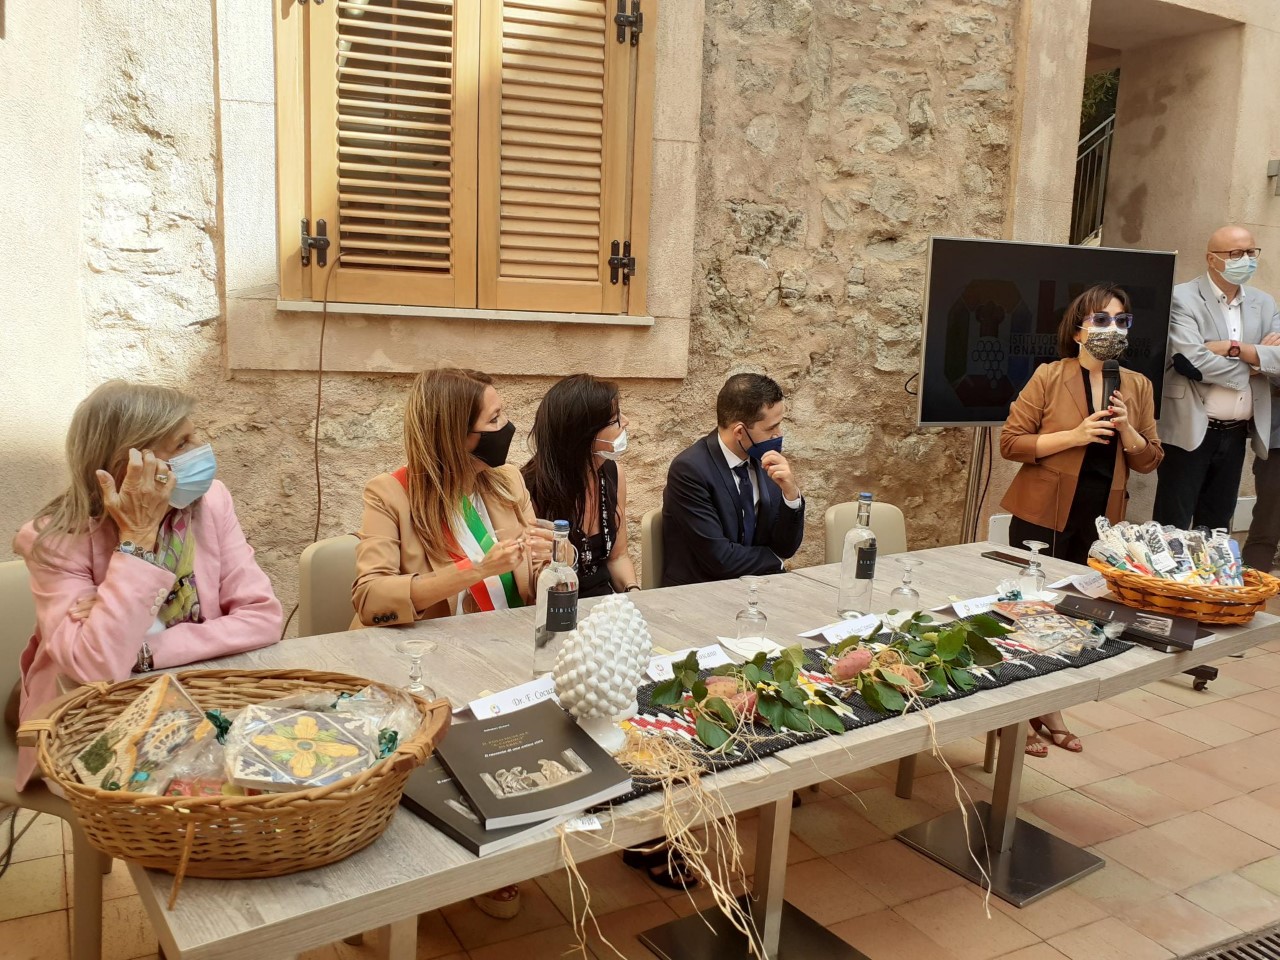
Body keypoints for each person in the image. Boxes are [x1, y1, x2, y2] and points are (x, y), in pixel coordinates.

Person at [9, 382, 283, 790]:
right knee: (190, 807)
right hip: (93, 725)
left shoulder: (210, 504)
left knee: (271, 768)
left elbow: (262, 618)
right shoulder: (54, 541)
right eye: (182, 442)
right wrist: (135, 542)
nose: (202, 448)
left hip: (198, 694)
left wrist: (141, 649)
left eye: (195, 434)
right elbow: (96, 668)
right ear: (129, 464)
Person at [350, 367, 552, 919]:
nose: (508, 428)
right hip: (426, 662)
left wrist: (544, 562)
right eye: (495, 419)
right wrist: (472, 568)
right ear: (453, 433)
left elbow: (529, 585)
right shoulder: (391, 494)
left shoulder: (506, 482)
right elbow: (371, 598)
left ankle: (505, 835)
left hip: (503, 647)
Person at [999, 284, 1163, 755]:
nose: (1112, 330)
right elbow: (1012, 443)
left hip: (1099, 520)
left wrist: (1128, 429)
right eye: (1102, 320)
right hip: (1040, 514)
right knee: (1026, 614)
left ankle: (1050, 707)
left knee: (1074, 618)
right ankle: (1016, 713)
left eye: (1121, 321)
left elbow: (1151, 459)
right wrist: (1074, 435)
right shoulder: (1049, 376)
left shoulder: (1138, 385)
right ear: (1078, 330)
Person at [1153, 226, 1280, 531]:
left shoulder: (1264, 303)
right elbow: (1192, 361)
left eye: (1251, 252)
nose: (1246, 259)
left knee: (1217, 527)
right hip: (1191, 429)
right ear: (1212, 259)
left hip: (1236, 434)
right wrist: (1256, 363)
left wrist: (1234, 348)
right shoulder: (1183, 298)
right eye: (1236, 254)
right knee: (1174, 526)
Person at [661, 373, 804, 587]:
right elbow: (719, 559)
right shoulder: (690, 470)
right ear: (739, 432)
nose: (778, 434)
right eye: (771, 428)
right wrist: (774, 560)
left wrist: (791, 494)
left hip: (757, 588)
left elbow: (785, 547)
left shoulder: (764, 461)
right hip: (701, 592)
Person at [521, 374, 640, 598]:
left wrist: (633, 593)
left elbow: (618, 557)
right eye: (615, 419)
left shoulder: (613, 474)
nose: (625, 422)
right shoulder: (530, 488)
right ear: (584, 434)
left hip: (606, 607)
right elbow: (534, 582)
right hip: (559, 608)